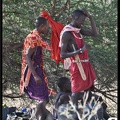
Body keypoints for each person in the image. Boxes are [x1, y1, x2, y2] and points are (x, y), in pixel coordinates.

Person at [59, 8, 98, 110]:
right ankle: (74, 115)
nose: (82, 23)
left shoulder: (78, 30)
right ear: (76, 18)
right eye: (82, 20)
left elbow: (95, 34)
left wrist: (90, 17)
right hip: (76, 65)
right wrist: (81, 50)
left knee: (88, 90)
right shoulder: (67, 33)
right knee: (75, 93)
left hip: (85, 64)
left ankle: (88, 113)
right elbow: (62, 55)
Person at [20, 17, 53, 120]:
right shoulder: (34, 37)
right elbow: (28, 56)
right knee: (43, 98)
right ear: (41, 26)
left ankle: (44, 117)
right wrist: (35, 75)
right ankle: (35, 118)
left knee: (45, 98)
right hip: (33, 71)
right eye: (47, 27)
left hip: (37, 69)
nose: (47, 29)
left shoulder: (36, 36)